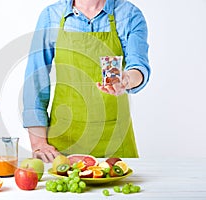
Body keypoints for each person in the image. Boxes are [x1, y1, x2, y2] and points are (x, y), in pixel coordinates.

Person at [23, 0, 150, 162]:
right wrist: (39, 142)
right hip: (63, 143)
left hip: (115, 143)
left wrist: (126, 79)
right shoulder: (51, 16)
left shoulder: (129, 15)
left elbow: (139, 66)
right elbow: (35, 80)